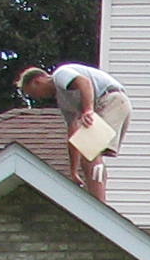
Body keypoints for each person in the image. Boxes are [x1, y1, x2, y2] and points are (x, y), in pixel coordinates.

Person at [17, 61, 134, 195]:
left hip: (111, 100)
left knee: (90, 150)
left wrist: (88, 110)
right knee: (88, 154)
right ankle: (95, 197)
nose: (37, 97)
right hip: (113, 104)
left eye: (33, 93)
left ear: (37, 81)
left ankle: (97, 202)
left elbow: (84, 82)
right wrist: (73, 170)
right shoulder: (64, 101)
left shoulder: (60, 74)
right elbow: (73, 133)